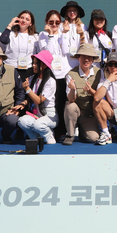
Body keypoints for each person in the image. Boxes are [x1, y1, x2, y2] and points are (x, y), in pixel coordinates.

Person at [38, 10, 69, 140]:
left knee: (62, 103)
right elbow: (48, 55)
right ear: (46, 22)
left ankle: (62, 131)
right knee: (52, 103)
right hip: (51, 73)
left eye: (57, 22)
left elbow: (66, 50)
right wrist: (50, 35)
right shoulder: (42, 35)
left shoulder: (63, 34)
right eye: (51, 22)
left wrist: (65, 34)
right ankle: (50, 129)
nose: (54, 24)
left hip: (62, 73)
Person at [64, 43, 102, 145]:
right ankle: (70, 134)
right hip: (77, 110)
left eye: (89, 57)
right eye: (84, 56)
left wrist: (90, 91)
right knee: (70, 106)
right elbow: (71, 99)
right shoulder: (71, 74)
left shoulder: (99, 73)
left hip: (90, 114)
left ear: (93, 60)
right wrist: (72, 89)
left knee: (94, 138)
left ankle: (83, 131)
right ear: (78, 58)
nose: (86, 59)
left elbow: (101, 96)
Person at [17, 50, 58, 145]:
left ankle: (49, 135)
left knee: (38, 125)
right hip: (36, 114)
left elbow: (38, 100)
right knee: (21, 121)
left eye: (36, 63)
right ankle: (35, 138)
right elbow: (30, 98)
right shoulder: (32, 78)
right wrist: (23, 103)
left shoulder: (50, 81)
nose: (33, 66)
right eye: (33, 63)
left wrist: (27, 89)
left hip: (49, 115)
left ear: (44, 65)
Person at [0, 10, 39, 81]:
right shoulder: (10, 34)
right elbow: (3, 40)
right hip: (10, 68)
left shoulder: (35, 37)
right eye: (22, 18)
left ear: (31, 23)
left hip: (27, 70)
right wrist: (11, 24)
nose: (23, 21)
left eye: (27, 19)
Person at [60, 1, 88, 69]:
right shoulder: (61, 25)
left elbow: (85, 43)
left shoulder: (83, 26)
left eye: (74, 10)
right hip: (65, 59)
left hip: (78, 59)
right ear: (66, 12)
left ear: (78, 12)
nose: (72, 12)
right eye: (69, 10)